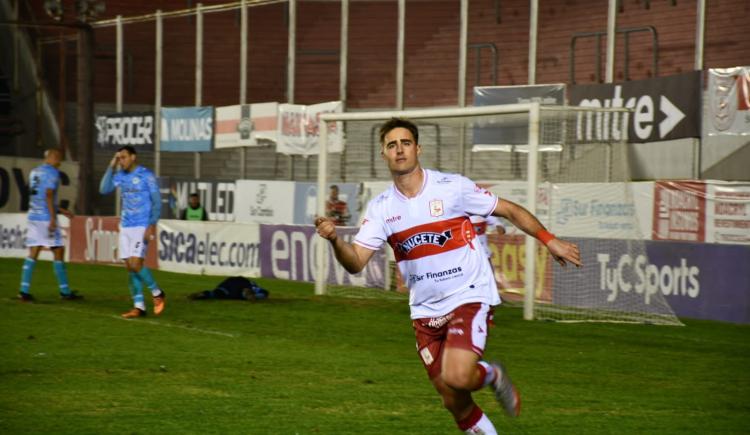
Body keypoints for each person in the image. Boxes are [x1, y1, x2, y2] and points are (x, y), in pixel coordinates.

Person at [314, 118, 581, 434]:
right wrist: (334, 240)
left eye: (406, 143)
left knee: (457, 376)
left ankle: (492, 374)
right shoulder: (381, 208)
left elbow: (508, 210)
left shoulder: (452, 187)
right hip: (425, 312)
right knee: (453, 400)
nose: (399, 150)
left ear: (418, 149)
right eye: (391, 145)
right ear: (383, 154)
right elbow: (356, 262)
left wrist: (550, 240)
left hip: (468, 295)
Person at [99, 145, 166, 318]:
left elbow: (157, 201)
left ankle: (157, 293)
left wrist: (151, 224)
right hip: (126, 226)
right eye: (119, 158)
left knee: (136, 264)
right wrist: (111, 164)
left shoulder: (146, 175)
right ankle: (139, 307)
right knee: (130, 267)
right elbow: (104, 189)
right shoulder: (120, 175)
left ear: (133, 157)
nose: (121, 160)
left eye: (124, 157)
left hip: (141, 225)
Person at [18, 148, 82, 302]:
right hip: (46, 218)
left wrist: (61, 210)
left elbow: (39, 196)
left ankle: (23, 290)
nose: (59, 162)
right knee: (59, 250)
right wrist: (53, 218)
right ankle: (65, 291)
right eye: (58, 158)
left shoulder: (34, 172)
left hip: (33, 216)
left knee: (34, 251)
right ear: (51, 157)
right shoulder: (52, 172)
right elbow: (48, 194)